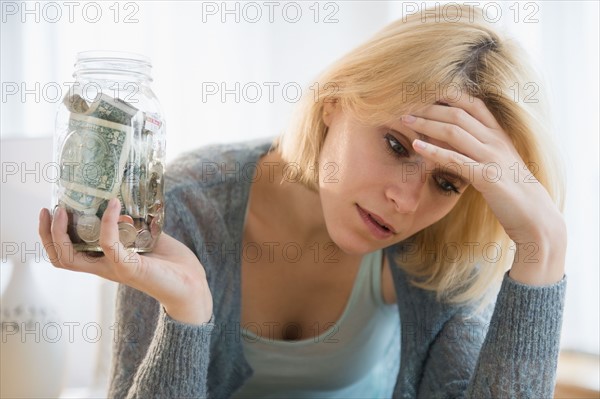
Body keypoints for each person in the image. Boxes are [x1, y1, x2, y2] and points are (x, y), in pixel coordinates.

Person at [39, 5, 567, 398]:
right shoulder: (185, 206)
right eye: (395, 145)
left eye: (448, 183)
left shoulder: (444, 249)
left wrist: (543, 247)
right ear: (335, 101)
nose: (405, 201)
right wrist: (187, 311)